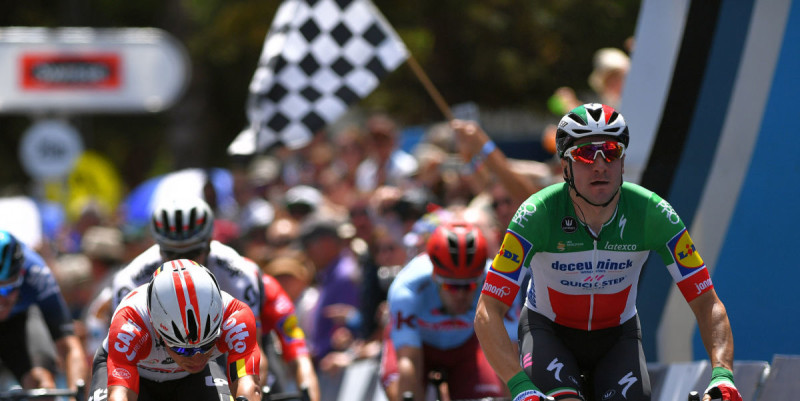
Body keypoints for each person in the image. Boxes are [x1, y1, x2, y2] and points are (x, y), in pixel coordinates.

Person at [473, 103, 742, 401]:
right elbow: (488, 311)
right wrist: (520, 387)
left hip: (617, 338)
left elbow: (706, 301)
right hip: (549, 333)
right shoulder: (536, 215)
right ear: (565, 166)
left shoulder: (653, 214)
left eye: (611, 152)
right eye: (586, 154)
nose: (600, 165)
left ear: (623, 163)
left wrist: (723, 374)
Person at [109, 196, 266, 380]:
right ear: (159, 249)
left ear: (209, 244)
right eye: (172, 253)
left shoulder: (239, 271)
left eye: (192, 252)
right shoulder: (130, 278)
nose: (182, 261)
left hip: (216, 347)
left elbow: (254, 345)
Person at [380, 221, 524, 401]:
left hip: (465, 348)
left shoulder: (499, 283)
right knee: (402, 394)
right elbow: (409, 361)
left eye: (470, 285)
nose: (461, 295)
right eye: (452, 286)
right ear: (435, 277)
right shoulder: (407, 287)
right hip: (419, 349)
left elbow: (508, 353)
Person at [87, 259, 262, 401]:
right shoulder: (131, 324)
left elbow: (247, 385)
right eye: (182, 349)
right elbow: (120, 395)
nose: (196, 357)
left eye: (207, 345)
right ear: (156, 330)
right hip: (136, 374)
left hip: (193, 378)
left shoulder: (236, 318)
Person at [0, 230, 88, 393]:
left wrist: (76, 395)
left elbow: (69, 346)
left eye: (8, 290)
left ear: (21, 275)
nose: (1, 300)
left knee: (41, 385)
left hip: (17, 321)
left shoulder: (35, 272)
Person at [259, 271, 321, 401]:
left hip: (261, 343)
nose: (285, 282)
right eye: (280, 277)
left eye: (289, 277)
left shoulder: (270, 290)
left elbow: (300, 354)